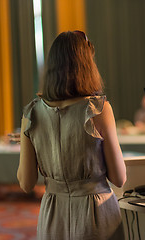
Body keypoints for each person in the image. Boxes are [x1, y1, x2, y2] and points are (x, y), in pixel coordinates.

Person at [17, 31, 126, 240]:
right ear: (86, 65)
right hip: (95, 213)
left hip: (53, 214)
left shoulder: (31, 113)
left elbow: (26, 183)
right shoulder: (98, 109)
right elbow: (119, 178)